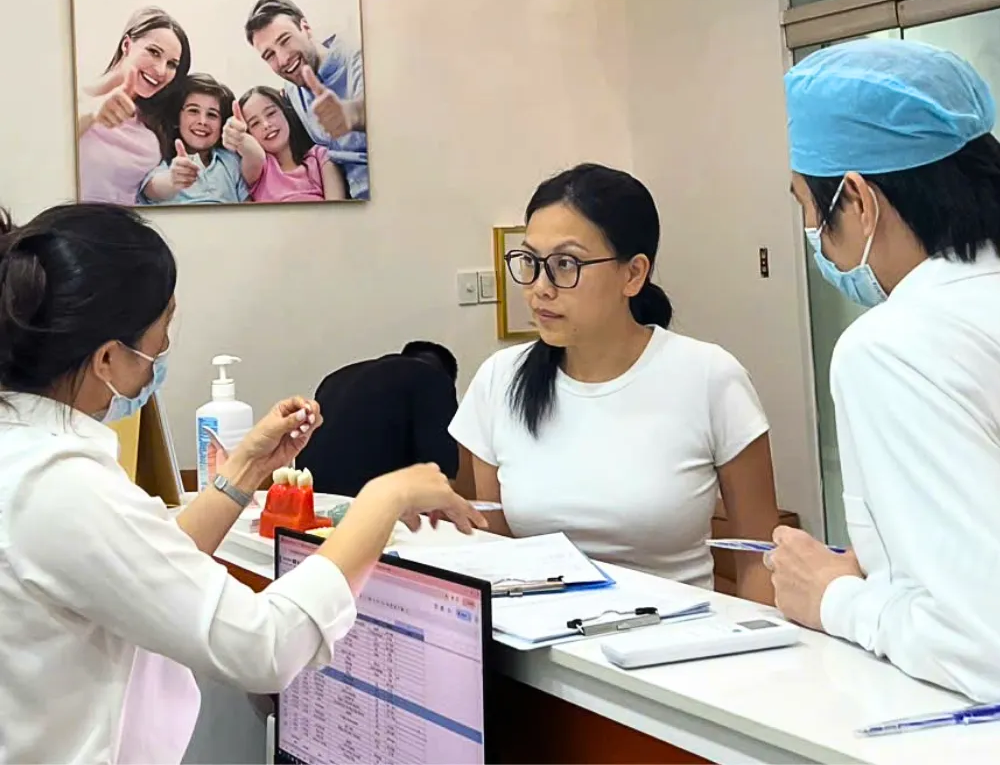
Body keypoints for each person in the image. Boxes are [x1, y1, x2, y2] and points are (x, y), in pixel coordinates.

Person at [0, 203, 484, 764]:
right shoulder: (60, 484)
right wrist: (383, 499)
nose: (160, 359)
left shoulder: (27, 454)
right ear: (108, 358)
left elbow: (140, 564)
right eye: (159, 339)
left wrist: (247, 470)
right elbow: (265, 646)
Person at [768, 39, 1000, 702]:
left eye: (806, 205)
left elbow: (983, 646)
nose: (811, 232)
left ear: (857, 200)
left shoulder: (896, 346)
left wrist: (833, 597)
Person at [449, 164, 779, 601]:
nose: (540, 288)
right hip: (540, 635)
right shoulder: (500, 379)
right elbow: (495, 550)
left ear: (633, 274)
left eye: (565, 264)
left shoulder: (710, 377)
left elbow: (759, 558)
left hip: (678, 636)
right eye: (530, 262)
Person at [296, 342, 465, 497]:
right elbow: (441, 480)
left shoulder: (336, 378)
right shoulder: (435, 379)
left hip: (307, 500)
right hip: (367, 507)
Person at [244, 0, 369, 200]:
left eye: (285, 40)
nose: (283, 59)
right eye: (269, 55)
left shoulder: (358, 56)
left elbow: (380, 106)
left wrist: (350, 115)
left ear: (306, 28)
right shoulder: (292, 90)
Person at [77, 7, 192, 206]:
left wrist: (174, 180)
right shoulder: (74, 98)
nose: (161, 70)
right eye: (154, 52)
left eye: (172, 64)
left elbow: (148, 188)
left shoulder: (152, 125)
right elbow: (44, 148)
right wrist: (94, 114)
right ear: (127, 45)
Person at [140, 73, 248, 205]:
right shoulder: (159, 159)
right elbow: (152, 190)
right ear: (176, 118)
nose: (203, 121)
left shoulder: (230, 161)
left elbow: (250, 208)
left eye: (212, 114)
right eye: (193, 111)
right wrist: (173, 179)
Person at [223, 86, 346, 202]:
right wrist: (239, 136)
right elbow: (254, 154)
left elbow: (336, 208)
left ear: (285, 111)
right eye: (255, 123)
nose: (266, 125)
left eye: (271, 113)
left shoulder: (320, 156)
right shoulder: (259, 168)